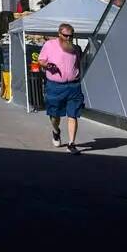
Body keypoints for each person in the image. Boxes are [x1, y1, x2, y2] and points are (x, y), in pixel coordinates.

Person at [38, 23, 84, 154]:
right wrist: (48, 65)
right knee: (54, 115)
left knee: (73, 114)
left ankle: (71, 143)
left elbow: (78, 65)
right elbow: (41, 60)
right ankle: (56, 131)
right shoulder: (49, 45)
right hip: (55, 86)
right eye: (65, 36)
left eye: (71, 36)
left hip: (73, 86)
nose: (68, 38)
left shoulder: (76, 49)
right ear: (59, 34)